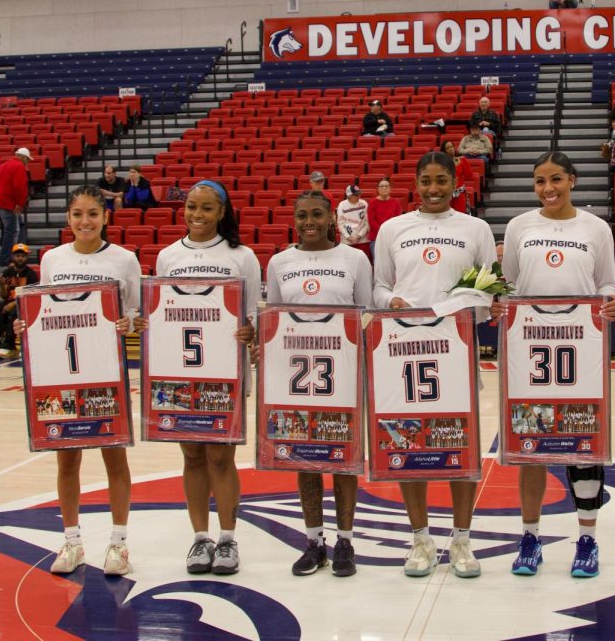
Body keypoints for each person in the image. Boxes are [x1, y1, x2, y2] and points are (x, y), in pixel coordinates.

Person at [372, 151, 497, 578]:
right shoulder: (392, 228)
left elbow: (487, 289)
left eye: (441, 180)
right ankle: (421, 539)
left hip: (455, 350)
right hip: (403, 351)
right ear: (416, 182)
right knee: (410, 443)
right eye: (426, 180)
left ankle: (462, 539)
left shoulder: (475, 228)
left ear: (454, 183)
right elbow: (379, 287)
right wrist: (393, 303)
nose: (433, 188)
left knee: (459, 441)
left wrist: (445, 310)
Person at [502, 151, 615, 578]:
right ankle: (529, 537)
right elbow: (510, 285)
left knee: (582, 443)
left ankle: (586, 538)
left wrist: (606, 306)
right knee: (531, 447)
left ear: (572, 179)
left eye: (555, 179)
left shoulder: (595, 227)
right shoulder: (519, 227)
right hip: (531, 350)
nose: (547, 188)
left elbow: (607, 283)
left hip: (581, 348)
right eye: (539, 181)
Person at [15, 184, 141, 578]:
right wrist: (26, 323)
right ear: (68, 219)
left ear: (106, 217)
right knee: (67, 459)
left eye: (92, 213)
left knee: (113, 456)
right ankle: (71, 541)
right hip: (62, 374)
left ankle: (119, 545)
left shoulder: (125, 260)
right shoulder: (52, 258)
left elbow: (138, 314)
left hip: (105, 372)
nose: (84, 221)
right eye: (77, 214)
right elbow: (44, 310)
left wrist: (129, 323)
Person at [141, 180, 260, 577]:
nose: (197, 215)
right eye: (191, 206)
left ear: (222, 212)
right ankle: (200, 537)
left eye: (207, 208)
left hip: (223, 372)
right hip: (180, 372)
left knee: (221, 457)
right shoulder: (168, 255)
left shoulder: (241, 256)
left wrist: (250, 330)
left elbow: (254, 315)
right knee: (192, 455)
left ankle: (227, 539)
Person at [267, 190, 373, 577]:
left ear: (333, 217)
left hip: (342, 373)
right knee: (305, 458)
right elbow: (275, 319)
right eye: (301, 215)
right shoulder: (279, 262)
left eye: (316, 214)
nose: (308, 221)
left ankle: (345, 540)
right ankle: (314, 542)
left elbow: (366, 316)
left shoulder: (355, 258)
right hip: (295, 376)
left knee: (344, 461)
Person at [0, 243, 39, 358]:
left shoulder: (31, 275)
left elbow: (31, 296)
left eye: (22, 256)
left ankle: (8, 345)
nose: (20, 258)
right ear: (13, 257)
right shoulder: (7, 272)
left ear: (27, 257)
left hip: (25, 303)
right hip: (10, 301)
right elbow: (4, 296)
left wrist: (12, 304)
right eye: (17, 255)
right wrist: (1, 285)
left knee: (15, 313)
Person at [0, 148, 31, 267]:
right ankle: (7, 259)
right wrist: (20, 203)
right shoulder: (19, 167)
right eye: (28, 160)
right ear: (23, 157)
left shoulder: (4, 165)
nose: (27, 162)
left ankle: (19, 253)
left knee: (17, 226)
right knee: (12, 230)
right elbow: (20, 187)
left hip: (0, 200)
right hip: (9, 202)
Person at [368, 177, 403, 258]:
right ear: (378, 189)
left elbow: (398, 220)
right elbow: (371, 221)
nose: (384, 188)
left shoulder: (396, 202)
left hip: (392, 238)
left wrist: (388, 233)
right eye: (381, 186)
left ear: (390, 188)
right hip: (376, 239)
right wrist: (384, 232)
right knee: (378, 264)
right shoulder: (372, 203)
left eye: (386, 186)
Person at [441, 141, 476, 213]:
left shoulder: (462, 160)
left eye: (451, 147)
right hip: (446, 194)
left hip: (459, 194)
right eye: (447, 148)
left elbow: (469, 176)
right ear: (444, 151)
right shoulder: (441, 164)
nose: (451, 149)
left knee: (461, 214)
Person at [337, 184, 370, 258]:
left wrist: (359, 236)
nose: (358, 196)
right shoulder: (342, 205)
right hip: (347, 241)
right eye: (355, 195)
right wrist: (348, 237)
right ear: (348, 195)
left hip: (363, 240)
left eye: (359, 194)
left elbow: (367, 223)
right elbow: (340, 224)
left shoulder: (364, 203)